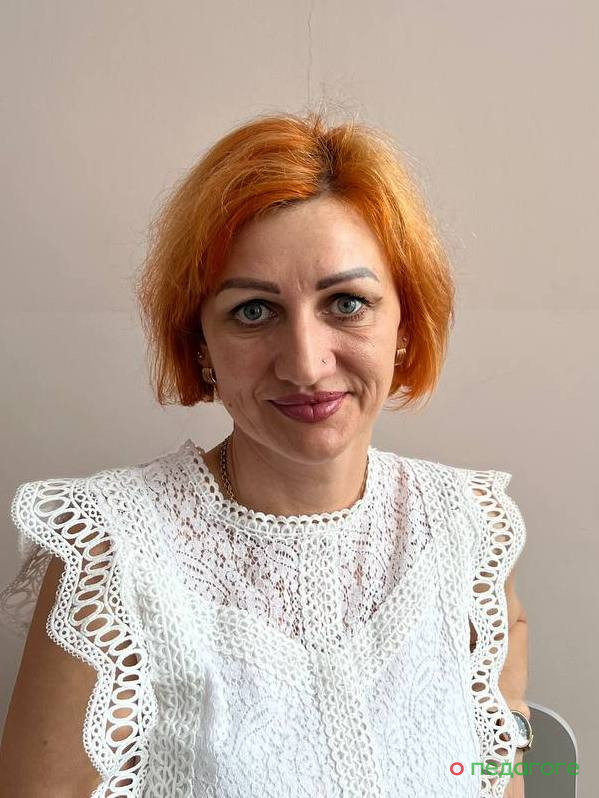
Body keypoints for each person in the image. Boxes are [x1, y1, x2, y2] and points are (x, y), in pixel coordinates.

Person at [0, 109, 530, 797]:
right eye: (253, 311)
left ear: (405, 325)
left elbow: (500, 771)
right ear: (200, 346)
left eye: (346, 303)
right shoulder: (112, 550)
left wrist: (515, 732)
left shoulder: (468, 528)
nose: (305, 365)